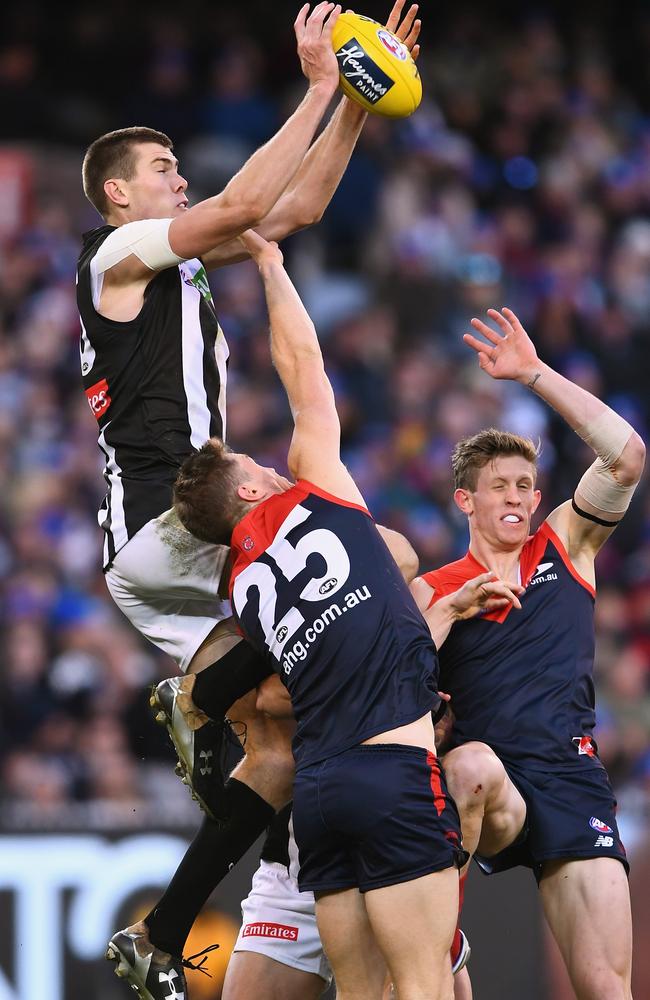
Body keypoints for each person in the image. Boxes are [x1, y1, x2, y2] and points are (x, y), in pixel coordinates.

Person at [76, 4, 424, 997]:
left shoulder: (169, 258)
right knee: (380, 560)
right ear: (115, 193)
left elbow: (292, 211)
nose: (177, 178)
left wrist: (354, 101)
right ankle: (206, 701)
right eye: (161, 168)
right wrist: (318, 82)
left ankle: (162, 930)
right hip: (173, 521)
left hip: (170, 551)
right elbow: (236, 208)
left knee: (276, 733)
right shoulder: (113, 256)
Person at [173, 231, 524, 1000]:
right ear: (245, 494)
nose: (269, 466)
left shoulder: (245, 592)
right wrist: (271, 264)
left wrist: (433, 617)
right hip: (393, 772)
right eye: (255, 469)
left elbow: (349, 652)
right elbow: (305, 370)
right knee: (425, 985)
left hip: (320, 800)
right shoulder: (317, 492)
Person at [416, 307, 645, 1000]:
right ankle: (439, 944)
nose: (514, 499)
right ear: (466, 500)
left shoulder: (566, 546)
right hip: (493, 787)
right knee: (474, 765)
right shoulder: (434, 587)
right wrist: (454, 609)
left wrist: (535, 374)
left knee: (606, 985)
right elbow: (395, 678)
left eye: (524, 487)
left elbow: (628, 456)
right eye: (498, 488)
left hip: (571, 777)